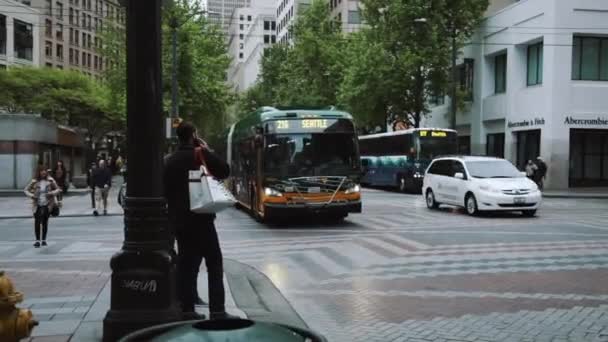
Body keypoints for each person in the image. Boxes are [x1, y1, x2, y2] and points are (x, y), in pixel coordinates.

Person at [163, 122, 235, 320]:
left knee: (186, 264)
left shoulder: (169, 160)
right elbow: (224, 170)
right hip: (202, 218)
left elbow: (164, 190)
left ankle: (187, 309)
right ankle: (218, 310)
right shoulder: (200, 153)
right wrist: (207, 149)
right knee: (214, 262)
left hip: (180, 221)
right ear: (193, 135)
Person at [24, 166, 61, 248]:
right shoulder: (34, 181)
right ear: (39, 172)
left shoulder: (50, 180)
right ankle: (37, 240)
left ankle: (43, 240)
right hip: (37, 204)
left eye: (44, 171)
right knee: (37, 222)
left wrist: (51, 193)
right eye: (41, 171)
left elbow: (58, 189)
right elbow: (25, 190)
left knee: (44, 222)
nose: (43, 172)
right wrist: (32, 195)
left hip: (47, 204)